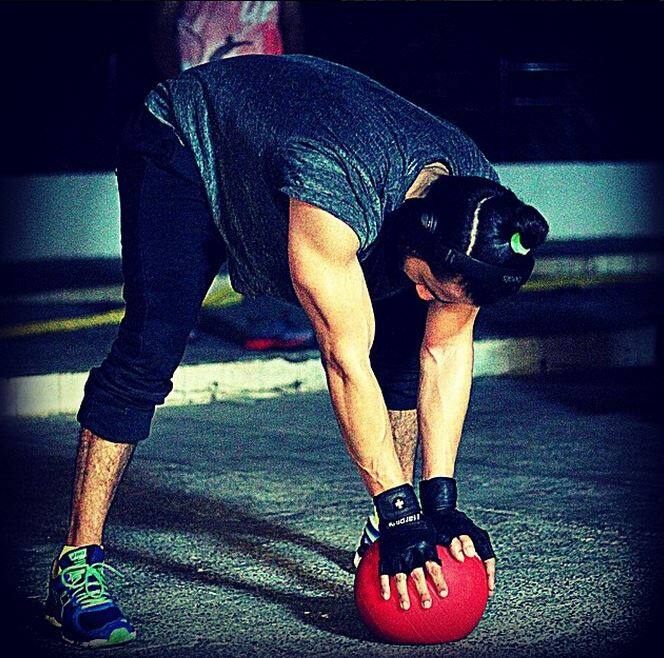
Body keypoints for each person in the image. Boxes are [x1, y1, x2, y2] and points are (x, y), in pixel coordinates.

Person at [45, 54, 548, 646]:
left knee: (405, 361)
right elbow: (345, 361)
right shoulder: (333, 195)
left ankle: (389, 520)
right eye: (425, 283)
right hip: (185, 141)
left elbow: (443, 353)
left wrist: (438, 499)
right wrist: (400, 509)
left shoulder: (480, 214)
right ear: (416, 232)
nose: (421, 295)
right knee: (148, 352)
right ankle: (76, 567)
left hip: (311, 144)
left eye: (438, 294)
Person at [150, 0, 312, 350]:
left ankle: (267, 319)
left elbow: (293, 24)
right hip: (201, 96)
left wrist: (292, 84)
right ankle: (171, 323)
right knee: (191, 211)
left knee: (262, 210)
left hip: (262, 97)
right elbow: (163, 23)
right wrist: (178, 86)